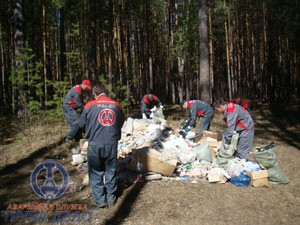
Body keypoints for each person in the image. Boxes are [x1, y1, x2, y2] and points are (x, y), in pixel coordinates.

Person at [79, 84, 125, 208]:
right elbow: (121, 122)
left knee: (95, 172)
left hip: (95, 143)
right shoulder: (116, 105)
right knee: (110, 171)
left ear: (95, 94)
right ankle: (111, 198)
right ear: (105, 92)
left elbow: (81, 123)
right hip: (111, 143)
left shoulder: (89, 105)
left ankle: (100, 201)